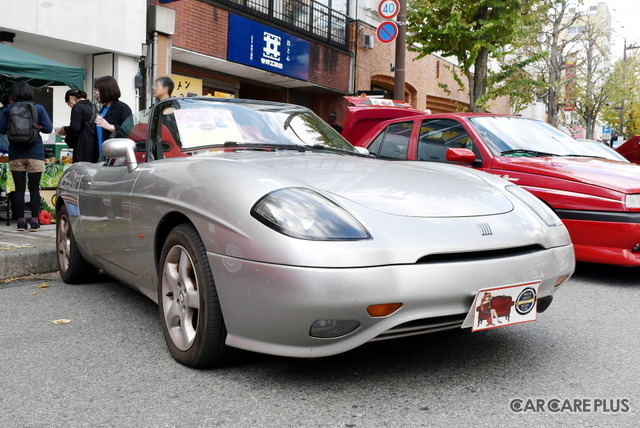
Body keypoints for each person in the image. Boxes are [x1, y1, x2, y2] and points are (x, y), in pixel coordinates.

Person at [0, 81, 53, 231]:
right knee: (34, 188)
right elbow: (48, 129)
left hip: (16, 153)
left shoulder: (8, 109)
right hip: (35, 152)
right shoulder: (39, 108)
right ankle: (35, 222)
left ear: (14, 94)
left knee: (19, 189)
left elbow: (1, 128)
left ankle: (21, 222)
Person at [93, 76, 132, 157]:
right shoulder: (103, 109)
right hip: (101, 155)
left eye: (98, 90)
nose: (96, 93)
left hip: (115, 156)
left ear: (107, 90)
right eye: (95, 90)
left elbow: (129, 131)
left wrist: (111, 127)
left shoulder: (122, 108)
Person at [56, 89, 98, 163]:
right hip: (94, 144)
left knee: (81, 169)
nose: (70, 106)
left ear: (71, 98)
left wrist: (64, 129)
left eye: (69, 104)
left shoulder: (77, 107)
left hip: (82, 145)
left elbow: (75, 128)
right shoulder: (93, 107)